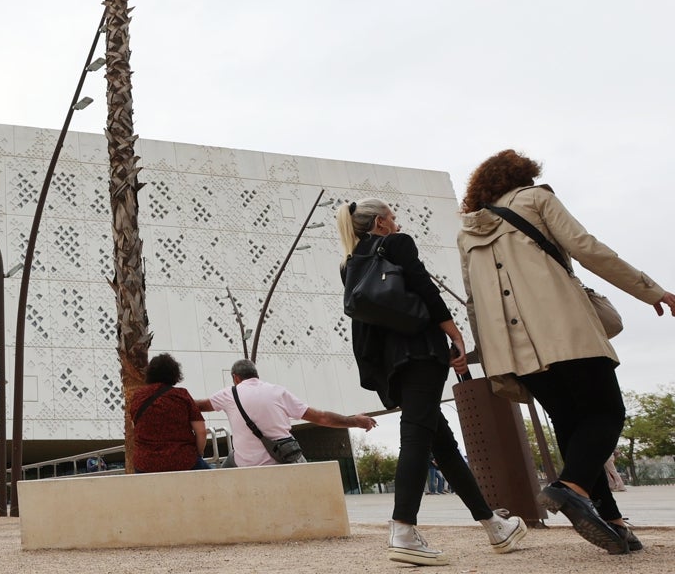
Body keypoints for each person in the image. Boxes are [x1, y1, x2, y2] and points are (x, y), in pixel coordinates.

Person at [458, 149, 675, 555]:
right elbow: (586, 248)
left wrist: (490, 356)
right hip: (564, 332)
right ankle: (569, 487)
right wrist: (651, 290)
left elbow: (473, 302)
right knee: (609, 412)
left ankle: (611, 522)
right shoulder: (536, 198)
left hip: (512, 349)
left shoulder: (467, 231)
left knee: (572, 424)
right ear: (521, 175)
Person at [338, 199, 526, 566]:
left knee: (443, 443)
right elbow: (424, 288)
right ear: (380, 222)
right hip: (421, 351)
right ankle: (403, 529)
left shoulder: (349, 264)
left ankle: (493, 525)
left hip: (390, 364)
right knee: (417, 436)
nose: (396, 222)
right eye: (392, 217)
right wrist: (454, 334)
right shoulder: (397, 243)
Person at [194, 359, 377, 467]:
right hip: (282, 458)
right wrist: (355, 421)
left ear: (235, 377)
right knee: (300, 461)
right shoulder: (278, 392)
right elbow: (321, 417)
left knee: (229, 461)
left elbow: (199, 406)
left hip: (245, 462)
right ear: (256, 374)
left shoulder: (228, 394)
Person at [129, 353, 209, 473]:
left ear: (150, 374)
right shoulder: (182, 395)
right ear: (175, 374)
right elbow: (201, 432)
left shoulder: (138, 397)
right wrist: (198, 453)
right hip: (183, 461)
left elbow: (135, 425)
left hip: (145, 464)